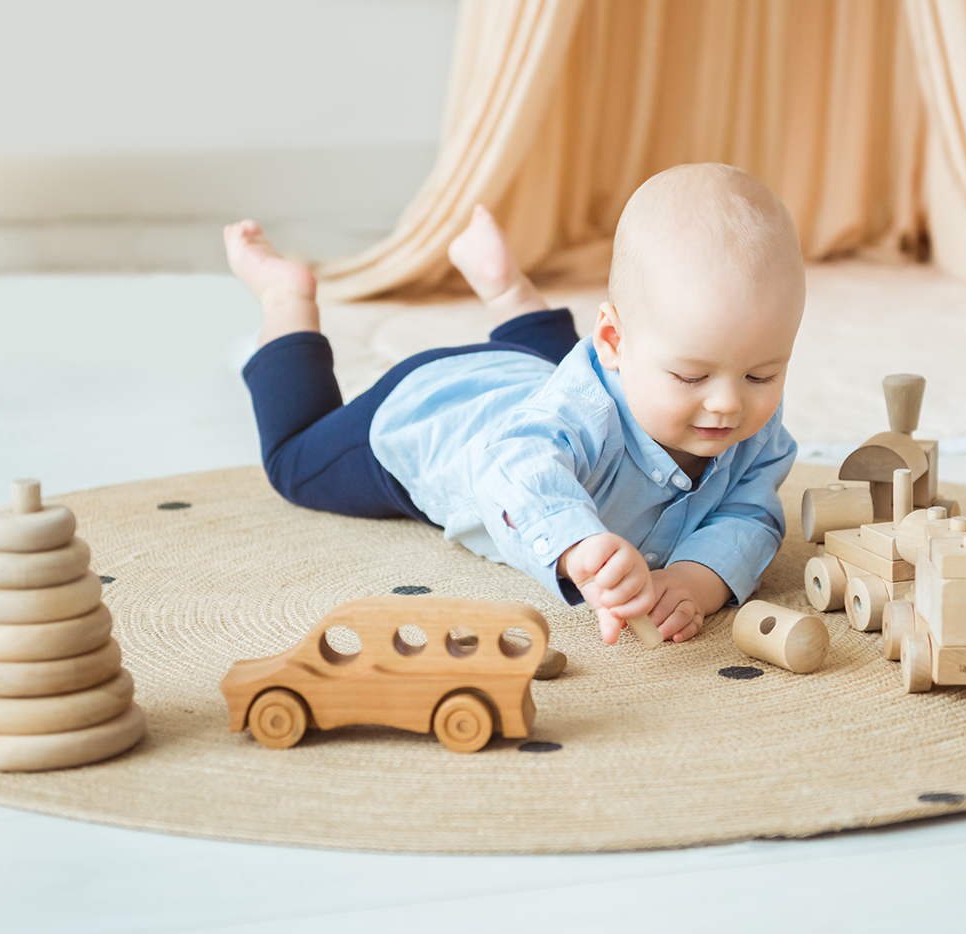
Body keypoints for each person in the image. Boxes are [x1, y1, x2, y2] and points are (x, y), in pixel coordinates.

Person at [227, 163, 805, 646]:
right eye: (691, 374)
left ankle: (504, 286)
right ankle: (285, 299)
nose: (728, 403)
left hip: (534, 376)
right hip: (435, 409)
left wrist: (697, 577)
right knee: (294, 463)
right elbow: (515, 470)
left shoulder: (748, 421)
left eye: (762, 373)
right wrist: (578, 543)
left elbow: (751, 511)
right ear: (613, 343)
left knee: (561, 376)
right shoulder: (574, 418)